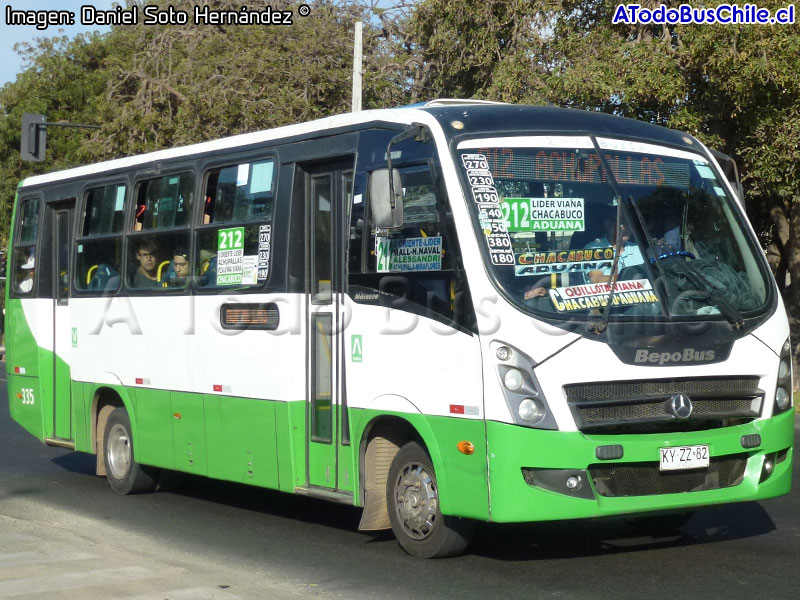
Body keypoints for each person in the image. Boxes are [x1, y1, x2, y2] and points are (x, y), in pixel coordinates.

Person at [584, 210, 644, 284]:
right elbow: (596, 279)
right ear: (607, 224)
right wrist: (627, 277)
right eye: (622, 223)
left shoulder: (638, 249)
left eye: (629, 223)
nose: (626, 228)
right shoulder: (594, 249)